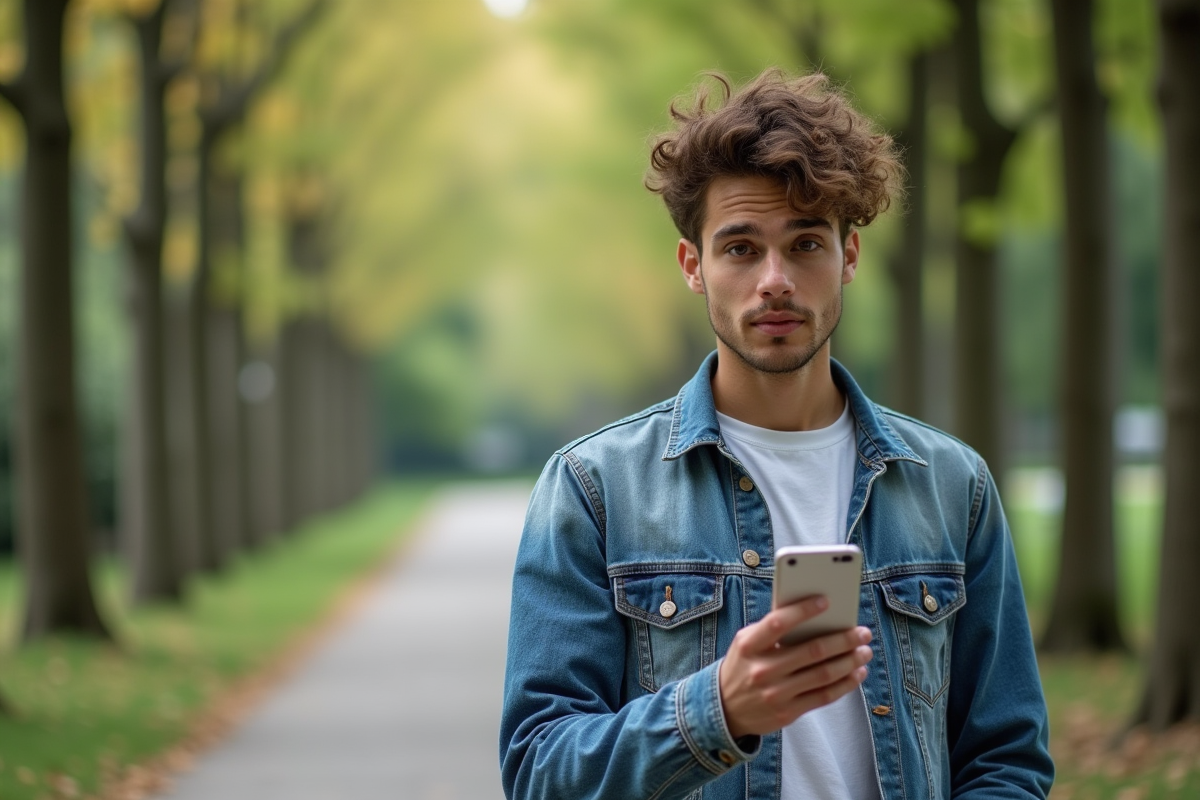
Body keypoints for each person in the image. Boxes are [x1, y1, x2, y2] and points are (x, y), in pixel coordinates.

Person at [499, 69, 1053, 800]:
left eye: (805, 243)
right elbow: (539, 768)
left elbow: (1006, 758)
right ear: (693, 266)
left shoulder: (952, 486)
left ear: (848, 257)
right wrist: (716, 713)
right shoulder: (594, 488)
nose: (775, 280)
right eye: (739, 248)